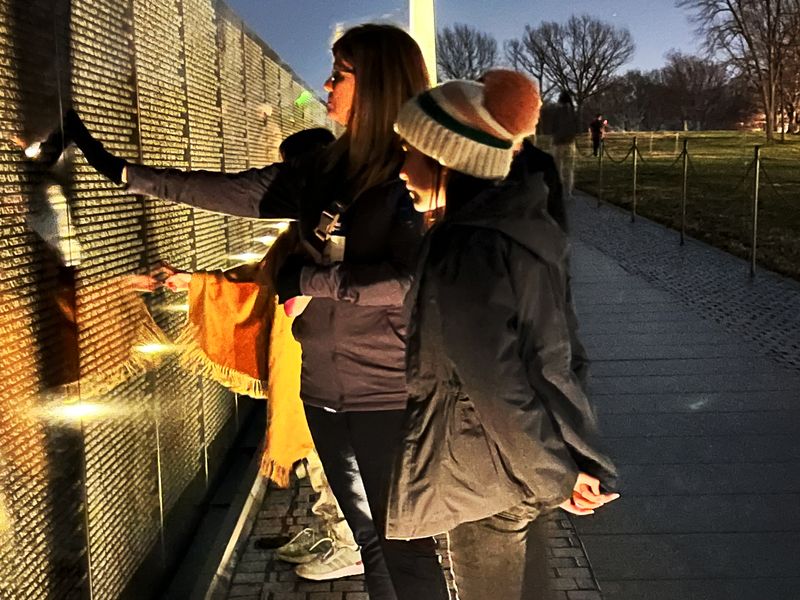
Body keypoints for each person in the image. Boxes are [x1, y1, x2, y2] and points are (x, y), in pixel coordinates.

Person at [64, 24, 448, 600]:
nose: (326, 85)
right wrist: (117, 169)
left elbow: (409, 279)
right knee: (369, 539)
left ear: (376, 84)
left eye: (340, 75)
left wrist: (309, 279)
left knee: (405, 546)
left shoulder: (416, 171)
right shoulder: (322, 168)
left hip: (388, 394)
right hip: (321, 390)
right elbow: (227, 190)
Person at [388, 69, 619, 599]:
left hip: (486, 467)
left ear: (449, 158)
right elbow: (562, 353)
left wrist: (555, 477)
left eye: (411, 153)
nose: (401, 169)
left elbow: (494, 383)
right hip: (525, 463)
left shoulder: (465, 250)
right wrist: (568, 462)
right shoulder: (528, 228)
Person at [159, 128, 362, 579]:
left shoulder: (337, 229)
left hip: (327, 362)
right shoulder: (299, 231)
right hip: (303, 359)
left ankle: (351, 544)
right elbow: (259, 279)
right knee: (315, 451)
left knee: (330, 451)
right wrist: (194, 281)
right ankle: (333, 526)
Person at [551, 90, 578, 197]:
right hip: (570, 141)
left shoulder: (557, 111)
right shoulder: (572, 111)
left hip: (558, 142)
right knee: (569, 168)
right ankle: (568, 191)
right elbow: (576, 125)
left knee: (558, 167)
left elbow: (553, 126)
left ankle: (558, 189)